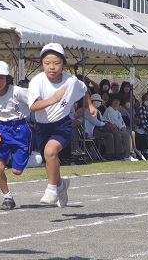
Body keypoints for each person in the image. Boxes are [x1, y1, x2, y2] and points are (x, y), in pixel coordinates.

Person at [28, 43, 98, 207]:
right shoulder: (37, 81)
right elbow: (33, 106)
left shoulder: (71, 81)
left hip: (62, 124)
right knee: (49, 160)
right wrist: (54, 98)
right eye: (47, 63)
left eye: (56, 63)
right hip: (42, 126)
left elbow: (84, 88)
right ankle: (61, 185)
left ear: (64, 64)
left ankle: (52, 189)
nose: (51, 67)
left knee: (50, 151)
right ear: (42, 64)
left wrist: (90, 105)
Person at [0, 61, 48, 210]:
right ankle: (8, 198)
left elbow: (35, 102)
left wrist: (50, 103)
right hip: (2, 130)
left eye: (1, 78)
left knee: (17, 171)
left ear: (7, 79)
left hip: (20, 129)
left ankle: (32, 153)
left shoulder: (18, 91)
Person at [103, 96, 137, 161]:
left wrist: (124, 128)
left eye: (118, 101)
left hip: (118, 128)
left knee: (132, 132)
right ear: (111, 102)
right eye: (114, 101)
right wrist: (123, 129)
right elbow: (114, 121)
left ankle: (132, 152)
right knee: (126, 135)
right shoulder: (109, 110)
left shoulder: (118, 112)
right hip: (111, 129)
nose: (116, 102)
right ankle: (126, 155)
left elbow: (121, 122)